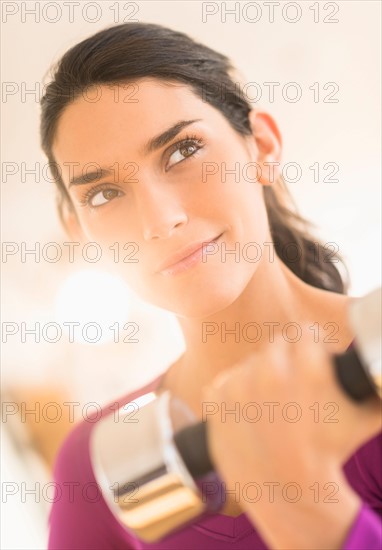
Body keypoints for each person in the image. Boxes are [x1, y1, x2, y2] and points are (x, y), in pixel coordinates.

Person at [40, 22, 382, 549]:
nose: (160, 219)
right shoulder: (94, 468)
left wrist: (302, 506)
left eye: (182, 151)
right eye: (104, 194)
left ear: (261, 146)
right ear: (80, 232)